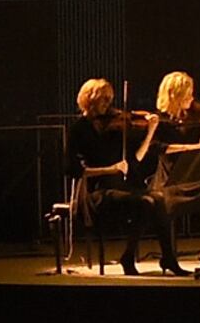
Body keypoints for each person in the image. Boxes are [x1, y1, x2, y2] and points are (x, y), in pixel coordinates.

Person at [139, 70, 200, 272]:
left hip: (193, 179)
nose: (192, 97)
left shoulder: (194, 117)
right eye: (187, 94)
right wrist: (188, 148)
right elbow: (156, 147)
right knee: (164, 205)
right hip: (169, 183)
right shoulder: (159, 120)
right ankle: (169, 257)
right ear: (174, 95)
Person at [64, 77, 157, 272]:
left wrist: (150, 130)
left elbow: (134, 159)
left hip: (117, 189)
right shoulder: (78, 129)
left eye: (109, 99)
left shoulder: (112, 127)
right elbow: (74, 170)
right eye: (103, 98)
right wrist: (111, 169)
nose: (108, 103)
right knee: (145, 203)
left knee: (159, 202)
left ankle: (167, 259)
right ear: (89, 99)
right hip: (93, 193)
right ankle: (128, 258)